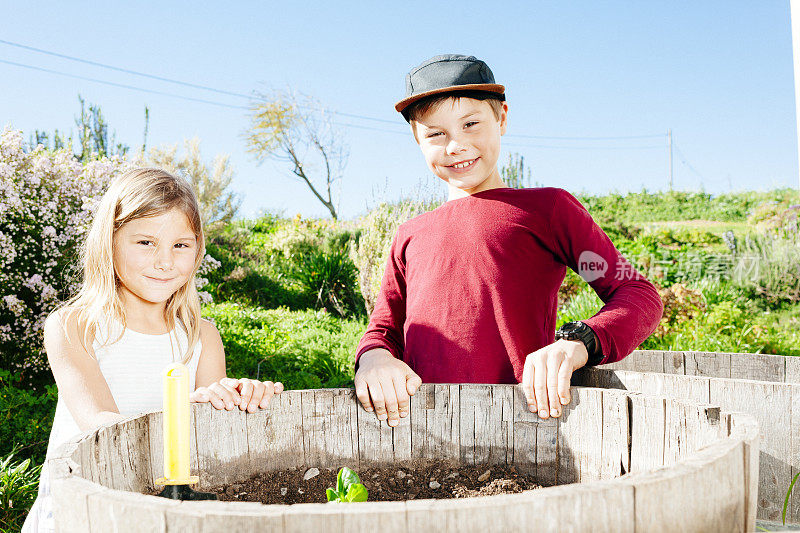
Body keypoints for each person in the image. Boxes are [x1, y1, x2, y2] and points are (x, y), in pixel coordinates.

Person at [353, 54, 663, 427]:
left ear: (501, 118)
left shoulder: (548, 211)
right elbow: (384, 329)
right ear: (417, 138)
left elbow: (635, 293)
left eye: (471, 124)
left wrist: (578, 342)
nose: (455, 145)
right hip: (418, 434)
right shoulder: (410, 234)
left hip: (522, 432)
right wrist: (373, 358)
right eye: (436, 133)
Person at [23, 168, 283, 532]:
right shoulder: (74, 327)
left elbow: (210, 438)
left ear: (197, 250)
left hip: (159, 515)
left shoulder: (202, 336)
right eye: (145, 242)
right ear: (109, 242)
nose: (165, 261)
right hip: (82, 515)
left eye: (181, 245)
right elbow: (101, 428)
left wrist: (235, 398)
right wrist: (180, 412)